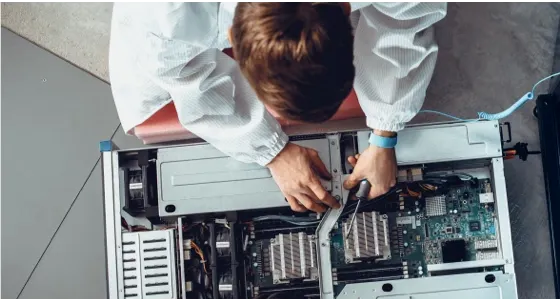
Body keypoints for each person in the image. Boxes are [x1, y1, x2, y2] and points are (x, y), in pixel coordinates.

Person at [109, 1, 447, 213]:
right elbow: (180, 73)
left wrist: (385, 131)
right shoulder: (162, 10)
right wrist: (270, 150)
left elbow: (405, 21)